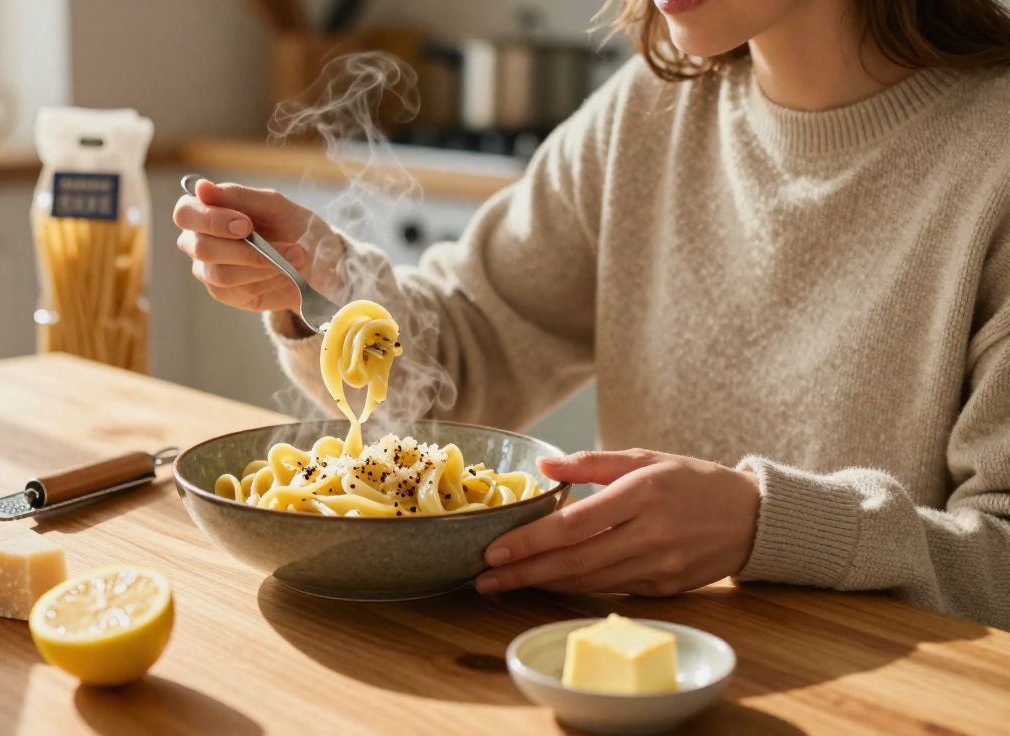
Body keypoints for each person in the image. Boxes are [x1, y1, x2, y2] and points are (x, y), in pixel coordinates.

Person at [173, 0, 1010, 628]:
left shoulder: (992, 155)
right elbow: (461, 364)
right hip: (621, 680)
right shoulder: (646, 111)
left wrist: (766, 524)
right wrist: (322, 281)